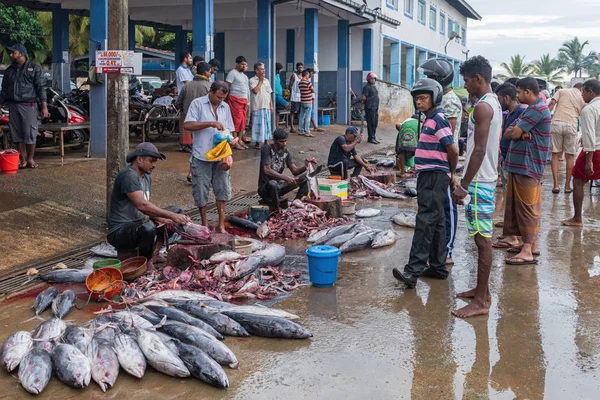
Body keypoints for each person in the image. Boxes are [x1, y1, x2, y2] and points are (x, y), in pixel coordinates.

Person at [392, 78, 458, 289]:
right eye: (416, 99)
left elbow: (453, 150)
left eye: (423, 98)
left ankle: (412, 271)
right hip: (430, 174)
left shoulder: (438, 119)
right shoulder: (429, 119)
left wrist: (450, 172)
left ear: (435, 97)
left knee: (424, 221)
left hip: (434, 176)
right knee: (437, 221)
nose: (419, 102)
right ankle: (438, 267)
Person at [451, 55, 502, 318]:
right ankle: (482, 291)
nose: (466, 86)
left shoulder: (483, 107)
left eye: (468, 81)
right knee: (478, 237)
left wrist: (465, 185)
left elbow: (480, 149)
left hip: (480, 181)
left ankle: (481, 302)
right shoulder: (492, 103)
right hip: (486, 177)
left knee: (483, 241)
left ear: (478, 79)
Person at [107, 142, 190, 271]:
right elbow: (142, 205)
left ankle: (155, 253)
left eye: (155, 162)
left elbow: (148, 206)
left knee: (177, 211)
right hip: (120, 230)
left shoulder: (146, 177)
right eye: (151, 161)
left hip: (140, 222)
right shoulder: (128, 175)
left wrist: (163, 218)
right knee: (149, 227)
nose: (154, 165)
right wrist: (171, 216)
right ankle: (146, 261)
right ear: (139, 159)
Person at [498, 77, 552, 265]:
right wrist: (517, 131)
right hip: (522, 165)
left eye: (519, 92)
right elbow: (508, 131)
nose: (517, 95)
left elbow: (511, 133)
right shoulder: (531, 109)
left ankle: (528, 250)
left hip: (528, 165)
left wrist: (517, 131)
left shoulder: (536, 109)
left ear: (528, 92)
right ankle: (530, 245)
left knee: (528, 208)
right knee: (522, 207)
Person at [419, 58, 462, 266]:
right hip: (434, 165)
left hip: (443, 166)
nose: (425, 80)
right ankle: (436, 252)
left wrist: (451, 172)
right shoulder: (435, 98)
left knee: (447, 208)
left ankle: (447, 251)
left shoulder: (449, 100)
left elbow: (449, 140)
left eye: (429, 77)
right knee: (436, 211)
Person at [184, 82, 234, 233]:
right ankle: (205, 224)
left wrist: (230, 150)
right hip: (201, 155)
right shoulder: (197, 104)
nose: (220, 100)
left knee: (222, 189)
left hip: (220, 156)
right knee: (200, 190)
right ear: (211, 92)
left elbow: (229, 131)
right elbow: (188, 125)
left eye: (223, 98)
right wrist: (210, 123)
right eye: (218, 97)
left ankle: (221, 224)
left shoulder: (225, 107)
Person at [0, 44, 49, 169]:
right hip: (13, 106)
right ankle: (22, 159)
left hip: (29, 106)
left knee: (30, 133)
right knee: (17, 134)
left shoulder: (34, 68)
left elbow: (41, 89)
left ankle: (30, 159)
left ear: (21, 53)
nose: (10, 55)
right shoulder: (9, 71)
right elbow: (4, 90)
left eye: (13, 52)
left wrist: (44, 107)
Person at [562, 79, 600, 227]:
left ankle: (577, 218)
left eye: (583, 92)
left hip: (594, 150)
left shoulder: (589, 109)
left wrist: (589, 159)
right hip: (595, 147)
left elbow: (591, 135)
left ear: (591, 92)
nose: (582, 95)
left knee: (577, 181)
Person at [258, 129, 316, 209]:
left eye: (285, 141)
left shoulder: (286, 152)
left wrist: (306, 166)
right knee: (273, 184)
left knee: (306, 178)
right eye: (281, 142)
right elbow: (267, 170)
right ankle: (277, 210)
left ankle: (296, 203)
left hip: (279, 187)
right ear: (275, 140)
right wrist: (286, 178)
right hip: (265, 189)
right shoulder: (267, 148)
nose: (284, 144)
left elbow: (295, 171)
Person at [494, 83, 526, 228]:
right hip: (506, 158)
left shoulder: (520, 112)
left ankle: (514, 226)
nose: (498, 101)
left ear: (506, 98)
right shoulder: (509, 114)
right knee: (508, 193)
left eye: (499, 98)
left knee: (514, 196)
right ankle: (509, 222)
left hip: (515, 160)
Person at [177, 62, 213, 183]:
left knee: (196, 146)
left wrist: (185, 112)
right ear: (205, 72)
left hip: (190, 121)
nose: (210, 74)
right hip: (205, 122)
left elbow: (179, 102)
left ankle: (192, 172)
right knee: (205, 147)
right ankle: (195, 172)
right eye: (209, 71)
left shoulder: (187, 85)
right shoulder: (209, 87)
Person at [548, 82, 585, 194]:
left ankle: (555, 186)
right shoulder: (582, 97)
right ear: (581, 89)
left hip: (556, 123)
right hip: (571, 125)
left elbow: (551, 104)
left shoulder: (561, 91)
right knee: (570, 156)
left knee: (555, 154)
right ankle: (567, 186)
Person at [226, 56, 250, 149]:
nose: (244, 66)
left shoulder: (245, 76)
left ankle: (239, 140)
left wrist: (248, 103)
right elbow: (227, 86)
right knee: (236, 121)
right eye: (242, 64)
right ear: (237, 64)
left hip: (244, 101)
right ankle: (235, 141)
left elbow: (247, 90)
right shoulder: (232, 73)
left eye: (245, 65)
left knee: (242, 122)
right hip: (235, 100)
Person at [249, 62, 274, 149]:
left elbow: (269, 94)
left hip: (266, 105)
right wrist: (260, 81)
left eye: (264, 69)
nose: (263, 71)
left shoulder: (267, 81)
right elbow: (255, 90)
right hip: (257, 106)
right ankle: (257, 143)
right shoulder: (252, 80)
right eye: (262, 69)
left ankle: (266, 141)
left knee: (267, 124)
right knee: (257, 125)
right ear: (256, 71)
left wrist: (271, 105)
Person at [362, 72, 380, 144]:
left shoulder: (374, 86)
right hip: (370, 108)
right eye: (372, 79)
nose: (373, 80)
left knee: (375, 123)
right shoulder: (367, 87)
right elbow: (364, 97)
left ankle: (373, 136)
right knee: (371, 123)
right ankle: (370, 137)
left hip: (375, 108)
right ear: (368, 80)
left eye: (374, 79)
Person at [298, 70, 315, 137]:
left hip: (302, 101)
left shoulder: (300, 83)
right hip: (308, 101)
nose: (308, 76)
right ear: (306, 75)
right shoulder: (308, 83)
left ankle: (300, 130)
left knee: (302, 116)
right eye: (308, 75)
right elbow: (313, 90)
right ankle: (307, 131)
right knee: (307, 117)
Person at [288, 62, 303, 133]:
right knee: (293, 112)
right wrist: (291, 94)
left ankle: (300, 127)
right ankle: (292, 127)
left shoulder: (303, 76)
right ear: (297, 68)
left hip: (301, 97)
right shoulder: (294, 76)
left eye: (301, 67)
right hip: (294, 97)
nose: (300, 69)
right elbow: (290, 86)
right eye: (299, 67)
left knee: (300, 112)